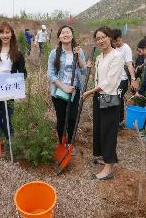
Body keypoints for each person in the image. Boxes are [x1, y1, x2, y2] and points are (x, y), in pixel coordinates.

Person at [82, 26, 124, 180]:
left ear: (110, 37)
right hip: (98, 96)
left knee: (108, 132)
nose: (101, 40)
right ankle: (104, 157)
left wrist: (89, 92)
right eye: (98, 38)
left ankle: (108, 167)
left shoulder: (117, 56)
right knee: (100, 129)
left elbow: (110, 82)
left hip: (109, 97)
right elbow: (97, 78)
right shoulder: (99, 58)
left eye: (103, 37)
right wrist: (90, 68)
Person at [47, 25, 86, 155]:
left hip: (75, 91)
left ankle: (70, 142)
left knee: (73, 118)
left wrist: (78, 56)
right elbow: (51, 74)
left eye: (68, 32)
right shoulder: (54, 53)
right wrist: (64, 87)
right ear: (59, 37)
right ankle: (61, 142)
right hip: (59, 92)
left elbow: (84, 70)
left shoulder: (79, 51)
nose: (65, 34)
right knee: (62, 118)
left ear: (72, 35)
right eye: (63, 32)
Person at [112, 29, 138, 127]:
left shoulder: (126, 48)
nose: (116, 43)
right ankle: (118, 120)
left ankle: (119, 122)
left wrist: (133, 79)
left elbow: (130, 64)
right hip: (114, 79)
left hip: (122, 80)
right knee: (116, 98)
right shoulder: (113, 47)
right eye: (114, 41)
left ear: (121, 38)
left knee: (118, 98)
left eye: (117, 41)